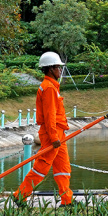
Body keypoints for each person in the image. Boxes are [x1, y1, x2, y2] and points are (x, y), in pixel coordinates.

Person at [14, 51, 73, 207]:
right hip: (51, 134)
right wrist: (54, 138)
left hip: (59, 133)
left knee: (63, 168)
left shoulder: (52, 86)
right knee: (41, 168)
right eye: (58, 68)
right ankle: (20, 196)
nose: (60, 70)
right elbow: (49, 116)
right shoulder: (48, 88)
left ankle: (67, 201)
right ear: (50, 69)